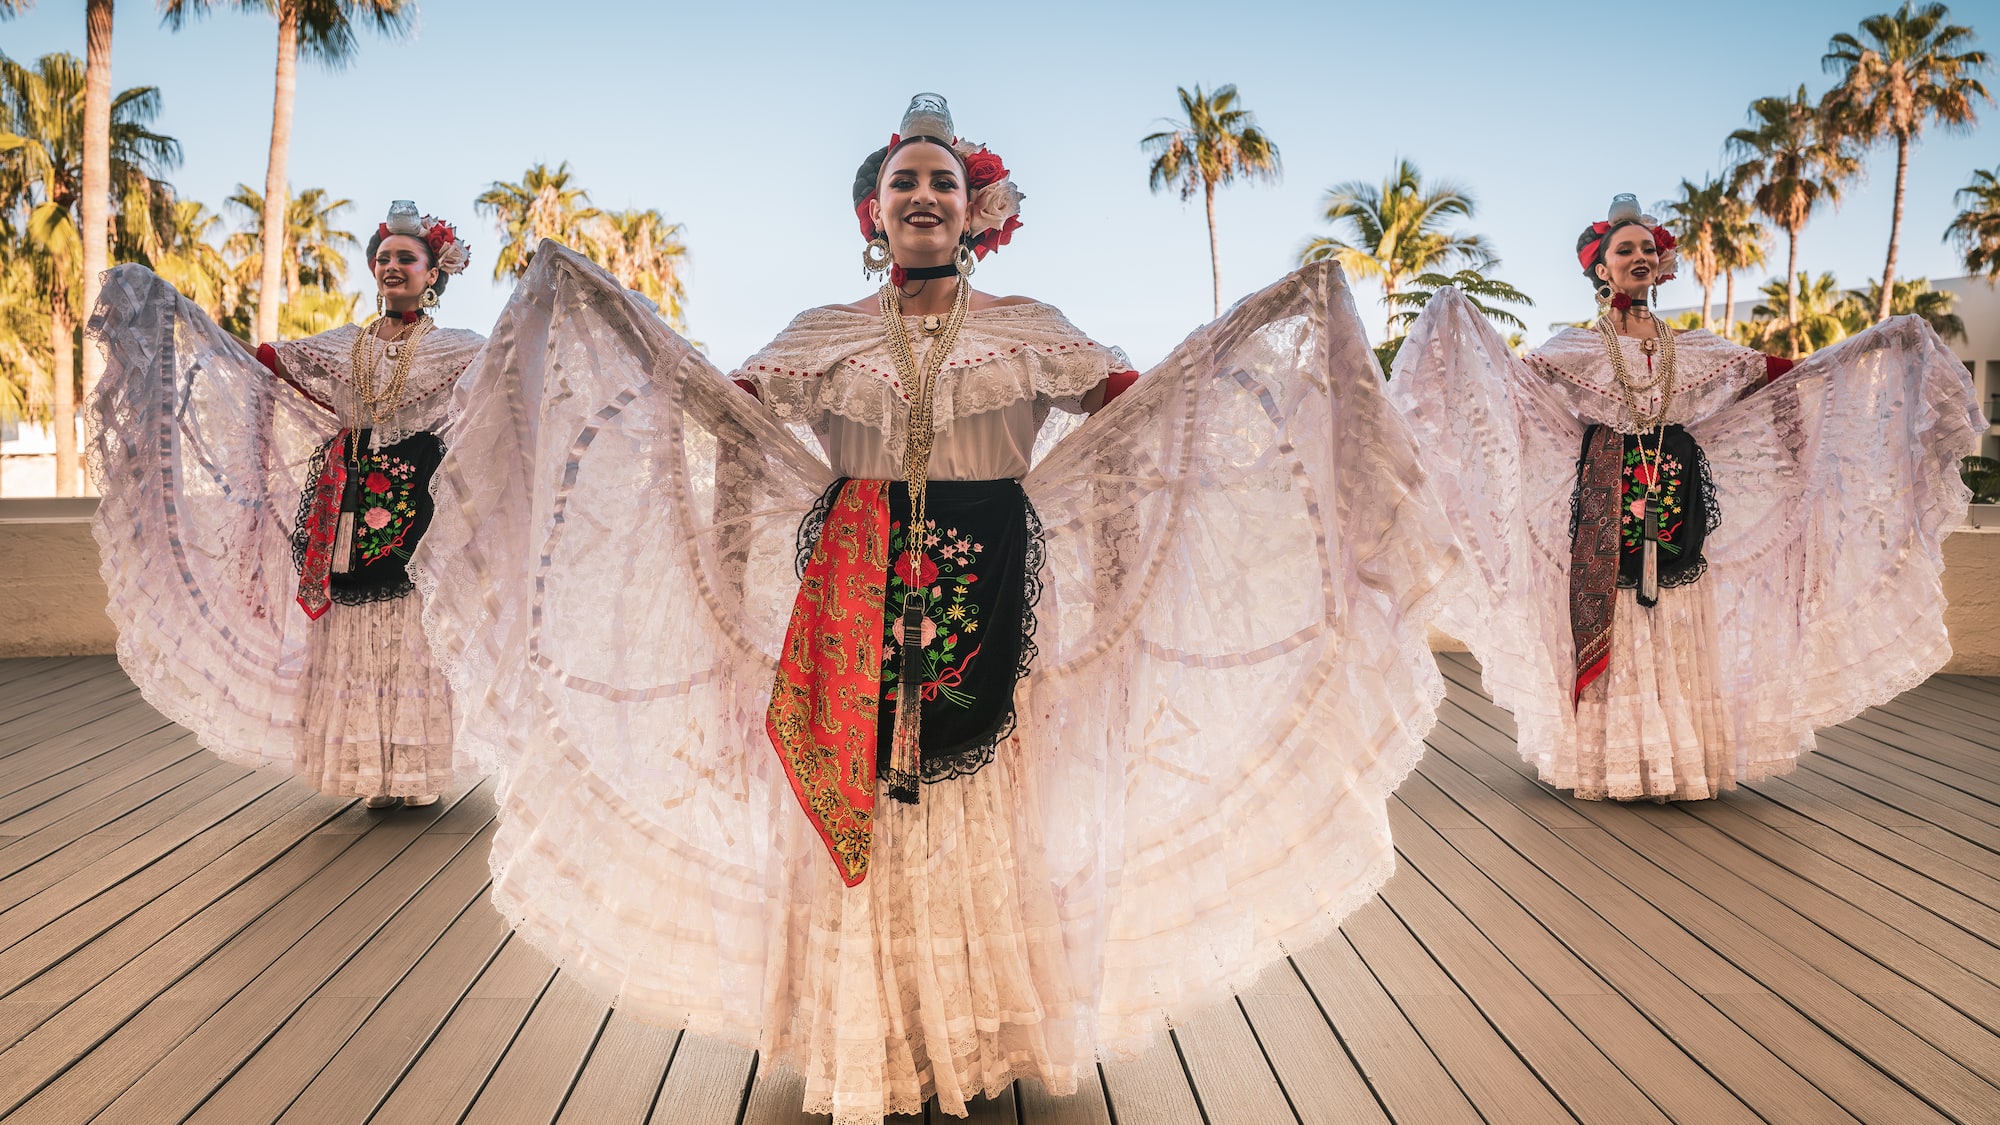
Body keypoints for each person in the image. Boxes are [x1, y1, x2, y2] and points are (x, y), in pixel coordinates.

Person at [413, 95, 1458, 1124]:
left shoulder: (1029, 331)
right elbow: (717, 418)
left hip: (990, 578)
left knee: (975, 803)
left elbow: (1142, 411)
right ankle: (858, 1033)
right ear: (875, 212)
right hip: (848, 585)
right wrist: (621, 333)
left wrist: (1249, 335)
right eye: (903, 181)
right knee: (860, 789)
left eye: (942, 182)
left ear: (977, 209)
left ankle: (975, 1034)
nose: (922, 196)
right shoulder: (821, 333)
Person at [1389, 193, 1984, 801]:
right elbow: (1512, 382)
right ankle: (1608, 763)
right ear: (1601, 268)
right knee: (1619, 613)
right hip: (1606, 488)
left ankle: (1678, 759)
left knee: (1674, 608)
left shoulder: (1692, 348)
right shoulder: (1576, 347)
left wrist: (1864, 352)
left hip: (1677, 486)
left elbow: (1776, 373)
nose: (1641, 257)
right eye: (1626, 250)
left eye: (1649, 248)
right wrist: (1457, 326)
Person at [87, 201, 484, 808]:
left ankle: (412, 775)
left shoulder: (459, 349)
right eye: (383, 259)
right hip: (344, 501)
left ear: (435, 274)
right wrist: (182, 315)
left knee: (408, 631)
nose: (392, 267)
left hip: (416, 504)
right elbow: (262, 363)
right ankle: (367, 774)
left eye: (407, 258)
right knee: (348, 624)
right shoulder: (344, 345)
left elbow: (506, 383)